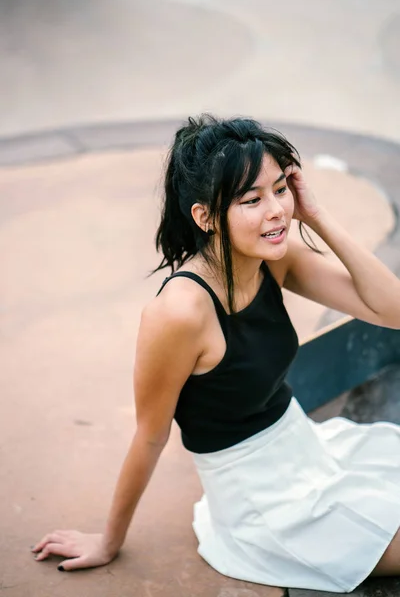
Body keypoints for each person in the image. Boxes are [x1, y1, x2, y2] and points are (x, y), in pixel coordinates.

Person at [32, 115, 400, 593]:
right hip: (261, 501)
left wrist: (318, 216)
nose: (276, 211)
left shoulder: (275, 255)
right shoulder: (179, 313)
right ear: (205, 216)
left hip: (305, 448)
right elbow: (150, 435)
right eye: (252, 199)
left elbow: (390, 310)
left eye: (280, 188)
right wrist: (109, 540)